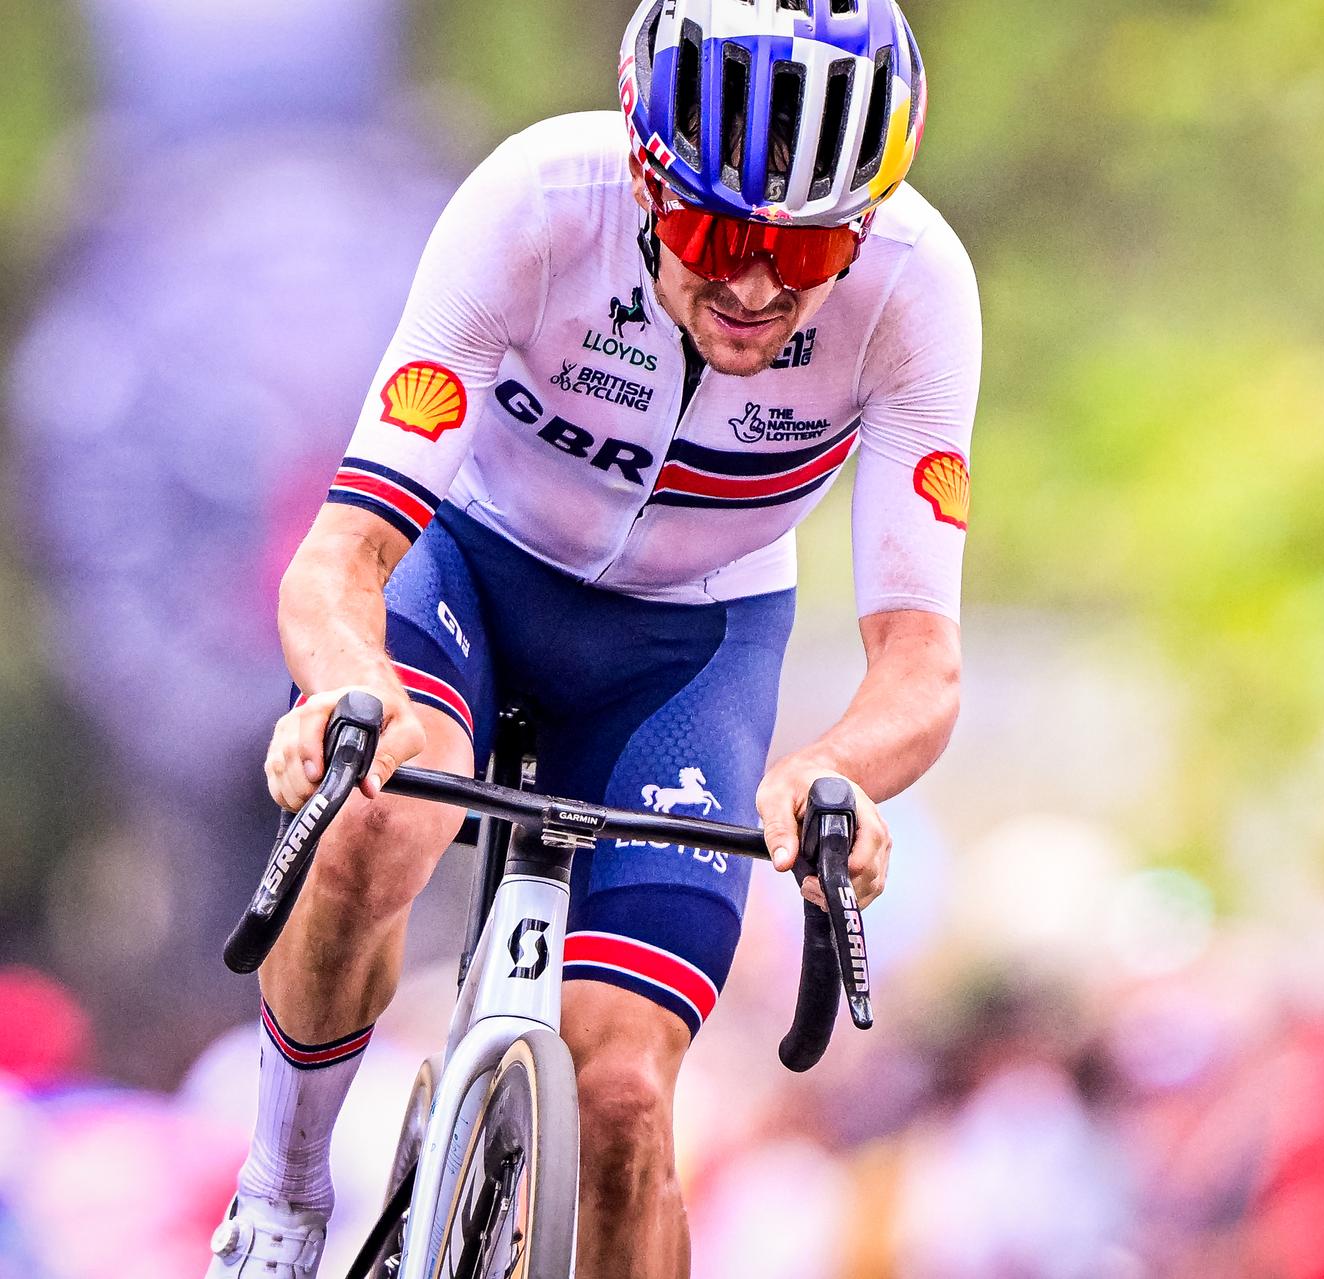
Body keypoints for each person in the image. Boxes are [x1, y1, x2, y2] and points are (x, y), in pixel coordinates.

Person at [204, 0, 979, 1274]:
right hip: (472, 564)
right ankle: (281, 1199)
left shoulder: (917, 287)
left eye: (806, 253)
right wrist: (345, 687)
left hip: (691, 641)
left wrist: (834, 771)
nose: (752, 284)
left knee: (623, 1097)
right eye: (715, 230)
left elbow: (920, 663)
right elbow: (345, 553)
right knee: (377, 816)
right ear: (641, 169)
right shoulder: (535, 202)